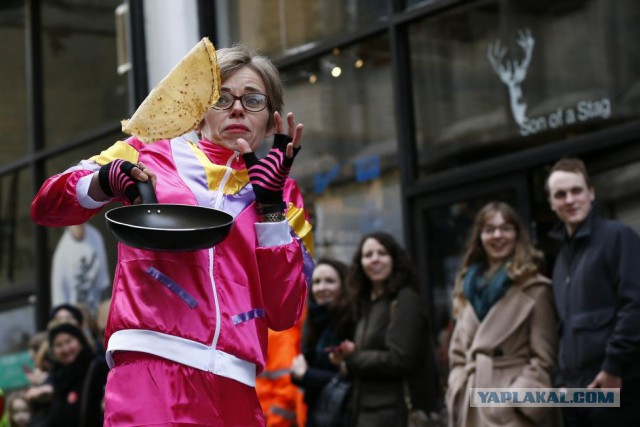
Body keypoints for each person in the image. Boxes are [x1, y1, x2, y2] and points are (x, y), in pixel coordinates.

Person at [31, 43, 313, 426]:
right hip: (150, 368)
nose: (236, 108)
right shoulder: (148, 153)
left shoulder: (285, 198)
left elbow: (284, 313)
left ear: (271, 119)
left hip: (236, 385)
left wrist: (270, 210)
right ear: (197, 113)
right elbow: (46, 207)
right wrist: (102, 180)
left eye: (253, 100)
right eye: (222, 98)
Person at [546, 157, 640, 426]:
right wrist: (562, 383)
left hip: (616, 385)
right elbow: (565, 328)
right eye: (560, 194)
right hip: (576, 393)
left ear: (591, 193)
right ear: (552, 204)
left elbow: (635, 306)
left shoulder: (618, 236)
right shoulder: (562, 259)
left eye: (576, 190)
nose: (570, 199)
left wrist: (613, 367)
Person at [446, 201, 557, 427]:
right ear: (479, 237)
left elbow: (543, 360)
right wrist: (457, 387)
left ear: (517, 234)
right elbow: (457, 355)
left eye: (505, 228)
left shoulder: (534, 288)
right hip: (472, 406)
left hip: (510, 412)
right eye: (489, 229)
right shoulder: (467, 287)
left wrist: (513, 401)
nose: (498, 235)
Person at [329, 231, 433, 427]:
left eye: (382, 253)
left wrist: (352, 359)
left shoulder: (404, 299)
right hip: (366, 413)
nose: (375, 259)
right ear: (360, 263)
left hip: (395, 414)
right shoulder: (367, 304)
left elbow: (400, 359)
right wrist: (346, 359)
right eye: (368, 255)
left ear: (394, 259)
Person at [290, 257, 354, 426]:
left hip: (344, 416)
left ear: (343, 286)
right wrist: (299, 374)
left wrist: (306, 374)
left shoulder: (352, 319)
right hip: (317, 414)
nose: (321, 288)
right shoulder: (313, 321)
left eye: (330, 281)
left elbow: (351, 380)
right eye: (317, 282)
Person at [46, 321, 109, 427]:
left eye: (69, 341)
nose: (65, 349)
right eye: (58, 345)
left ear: (80, 340)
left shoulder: (98, 367)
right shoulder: (57, 376)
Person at [51, 223, 111, 315]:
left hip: (96, 310)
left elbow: (103, 282)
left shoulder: (95, 236)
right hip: (74, 315)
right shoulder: (62, 253)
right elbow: (59, 297)